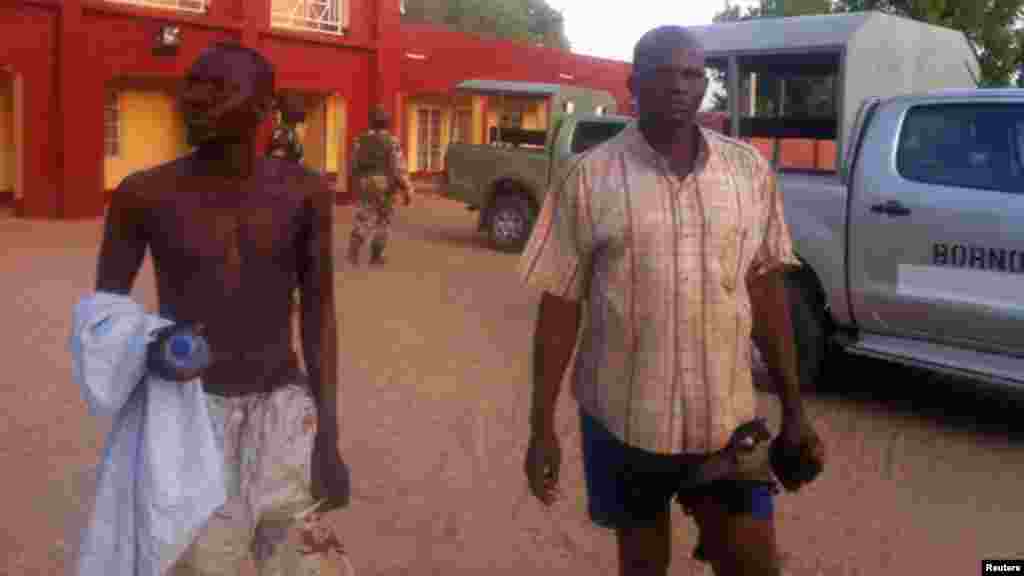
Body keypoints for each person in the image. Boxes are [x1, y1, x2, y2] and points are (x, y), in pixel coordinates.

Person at [518, 26, 826, 576]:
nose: (680, 86)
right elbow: (560, 306)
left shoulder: (747, 172)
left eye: (692, 74)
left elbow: (765, 289)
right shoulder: (589, 179)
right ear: (635, 84)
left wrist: (795, 408)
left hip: (726, 422)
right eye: (664, 73)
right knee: (641, 565)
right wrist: (541, 427)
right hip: (623, 418)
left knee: (754, 563)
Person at [95, 41, 352, 576]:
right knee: (206, 564)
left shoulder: (304, 193)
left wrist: (326, 435)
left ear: (263, 106)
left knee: (308, 566)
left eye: (216, 89)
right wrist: (151, 347)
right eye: (192, 86)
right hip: (190, 418)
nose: (193, 99)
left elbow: (320, 312)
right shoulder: (143, 194)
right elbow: (104, 317)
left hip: (284, 412)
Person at [347, 107, 412, 266]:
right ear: (387, 123)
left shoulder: (360, 140)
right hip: (385, 183)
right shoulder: (392, 141)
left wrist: (357, 182)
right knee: (383, 220)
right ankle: (376, 256)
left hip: (366, 182)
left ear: (371, 123)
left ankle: (354, 252)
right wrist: (407, 189)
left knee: (363, 216)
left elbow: (353, 164)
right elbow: (399, 167)